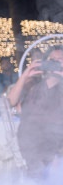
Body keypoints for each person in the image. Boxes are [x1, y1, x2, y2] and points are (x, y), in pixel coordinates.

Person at [8, 46, 63, 175]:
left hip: (57, 138)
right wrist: (26, 74)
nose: (55, 63)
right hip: (31, 138)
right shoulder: (33, 83)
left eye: (60, 59)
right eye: (52, 60)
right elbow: (10, 101)